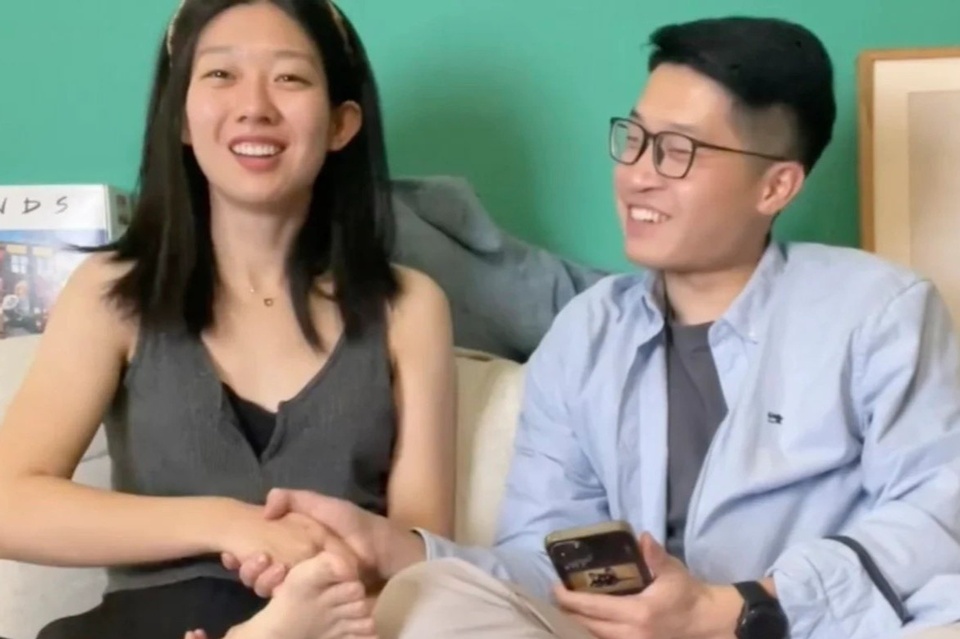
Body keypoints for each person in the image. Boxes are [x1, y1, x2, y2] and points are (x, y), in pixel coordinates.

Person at [226, 15, 960, 639]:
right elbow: (542, 562)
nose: (638, 173)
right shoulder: (587, 332)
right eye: (634, 138)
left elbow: (937, 516)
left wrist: (734, 608)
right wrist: (399, 549)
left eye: (678, 151)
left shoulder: (876, 311)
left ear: (775, 186)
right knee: (428, 598)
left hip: (801, 628)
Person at [0, 1, 455, 638]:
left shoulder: (408, 308)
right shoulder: (111, 292)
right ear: (181, 118)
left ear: (340, 124)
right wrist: (228, 523)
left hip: (331, 621)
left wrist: (325, 576)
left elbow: (426, 559)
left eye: (290, 77)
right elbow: (9, 503)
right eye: (220, 75)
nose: (254, 106)